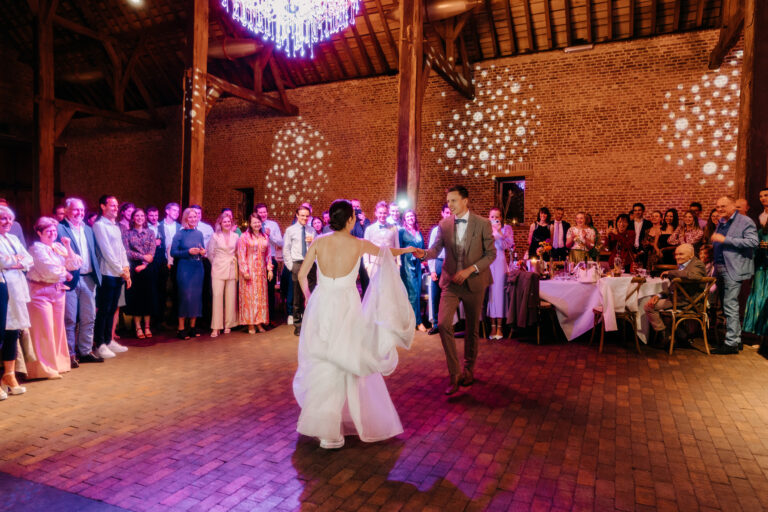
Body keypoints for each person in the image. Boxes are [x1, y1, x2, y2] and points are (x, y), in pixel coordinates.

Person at [293, 199, 418, 449]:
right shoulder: (358, 244)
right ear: (350, 220)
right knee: (346, 359)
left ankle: (327, 428)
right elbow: (385, 252)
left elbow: (300, 274)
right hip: (347, 306)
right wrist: (407, 250)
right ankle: (340, 424)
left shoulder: (318, 242)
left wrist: (308, 298)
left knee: (323, 360)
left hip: (321, 303)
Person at [416, 185, 496, 396]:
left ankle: (469, 369)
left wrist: (470, 270)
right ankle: (454, 374)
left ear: (465, 201)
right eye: (448, 201)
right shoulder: (444, 225)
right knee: (443, 323)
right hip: (450, 282)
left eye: (453, 200)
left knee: (472, 329)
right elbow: (435, 250)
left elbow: (490, 255)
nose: (449, 205)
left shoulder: (482, 224)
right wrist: (423, 254)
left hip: (475, 282)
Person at [26, 217, 82, 379]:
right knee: (44, 329)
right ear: (39, 232)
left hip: (57, 291)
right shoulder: (36, 249)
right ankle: (43, 368)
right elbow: (48, 270)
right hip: (40, 291)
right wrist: (64, 272)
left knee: (57, 328)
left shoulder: (57, 246)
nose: (52, 233)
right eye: (48, 231)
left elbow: (75, 263)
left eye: (54, 230)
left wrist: (68, 246)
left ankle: (58, 364)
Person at [57, 198, 104, 366]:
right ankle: (69, 355)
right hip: (70, 279)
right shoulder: (59, 228)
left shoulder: (88, 229)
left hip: (89, 278)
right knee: (69, 319)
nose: (80, 213)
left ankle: (85, 351)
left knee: (89, 317)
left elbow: (94, 253)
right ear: (67, 210)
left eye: (82, 210)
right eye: (76, 210)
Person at [710, 196, 759, 354]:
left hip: (734, 268)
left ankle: (731, 343)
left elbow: (753, 242)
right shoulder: (721, 221)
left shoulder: (745, 221)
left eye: (723, 206)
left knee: (730, 305)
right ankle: (735, 340)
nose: (719, 209)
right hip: (721, 267)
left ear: (733, 207)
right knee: (727, 306)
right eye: (717, 207)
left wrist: (726, 239)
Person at [644, 244, 706, 348]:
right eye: (676, 254)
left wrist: (671, 272)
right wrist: (659, 295)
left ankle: (665, 337)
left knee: (648, 307)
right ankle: (675, 336)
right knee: (650, 304)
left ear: (691, 255)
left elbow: (695, 276)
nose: (677, 257)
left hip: (689, 302)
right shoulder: (683, 265)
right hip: (678, 299)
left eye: (681, 254)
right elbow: (673, 287)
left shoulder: (697, 264)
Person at [92, 195, 131, 359]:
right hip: (107, 273)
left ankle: (109, 340)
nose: (116, 208)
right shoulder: (99, 225)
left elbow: (121, 249)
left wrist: (126, 267)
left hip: (118, 273)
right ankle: (99, 343)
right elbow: (106, 251)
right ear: (103, 206)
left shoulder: (115, 226)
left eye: (117, 205)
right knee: (104, 309)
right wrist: (120, 269)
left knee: (113, 308)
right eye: (112, 205)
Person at [0, 205, 32, 396]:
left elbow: (29, 259)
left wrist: (15, 262)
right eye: (3, 218)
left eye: (10, 219)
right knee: (1, 334)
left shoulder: (12, 238)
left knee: (13, 332)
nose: (7, 223)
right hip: (3, 288)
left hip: (17, 290)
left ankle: (9, 375)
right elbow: (2, 262)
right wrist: (15, 261)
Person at [122, 208, 158, 339]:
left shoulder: (150, 232)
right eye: (137, 215)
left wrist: (145, 264)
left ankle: (147, 326)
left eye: (142, 215)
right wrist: (143, 257)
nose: (140, 218)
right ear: (132, 218)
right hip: (134, 269)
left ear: (145, 218)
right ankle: (138, 327)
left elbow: (152, 251)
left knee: (148, 298)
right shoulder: (127, 233)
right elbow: (126, 251)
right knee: (137, 300)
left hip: (147, 269)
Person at [171, 208, 205, 339]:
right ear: (185, 218)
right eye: (190, 217)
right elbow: (173, 253)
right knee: (185, 296)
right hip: (184, 268)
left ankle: (192, 327)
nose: (193, 219)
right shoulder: (180, 234)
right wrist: (188, 252)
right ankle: (180, 328)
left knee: (196, 297)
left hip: (198, 267)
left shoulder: (199, 233)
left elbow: (201, 248)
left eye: (195, 217)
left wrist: (202, 252)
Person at [283, 205, 317, 335]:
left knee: (311, 294)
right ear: (297, 215)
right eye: (302, 215)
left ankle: (311, 322)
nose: (305, 218)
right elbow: (286, 249)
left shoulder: (312, 230)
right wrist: (291, 266)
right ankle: (298, 324)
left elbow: (316, 248)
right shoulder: (290, 230)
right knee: (297, 294)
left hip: (310, 263)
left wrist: (313, 241)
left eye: (307, 216)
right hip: (297, 263)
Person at [238, 213, 272, 334]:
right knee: (250, 298)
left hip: (261, 272)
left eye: (258, 222)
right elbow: (241, 255)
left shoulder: (265, 237)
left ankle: (259, 322)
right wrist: (244, 271)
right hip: (249, 271)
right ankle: (250, 324)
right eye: (254, 222)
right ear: (250, 224)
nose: (257, 224)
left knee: (260, 298)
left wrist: (270, 269)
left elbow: (268, 254)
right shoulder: (244, 237)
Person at [208, 211, 240, 337]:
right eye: (224, 221)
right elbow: (210, 253)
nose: (227, 223)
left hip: (232, 267)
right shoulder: (215, 236)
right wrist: (216, 264)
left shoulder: (235, 236)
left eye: (229, 221)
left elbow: (238, 252)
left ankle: (229, 324)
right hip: (218, 268)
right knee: (217, 296)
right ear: (220, 223)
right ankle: (216, 327)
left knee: (231, 297)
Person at [743, 188, 768, 338]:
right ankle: (758, 332)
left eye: (766, 195)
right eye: (761, 196)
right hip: (760, 260)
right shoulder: (759, 216)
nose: (763, 198)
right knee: (758, 295)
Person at [487, 208, 514, 340]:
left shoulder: (507, 228)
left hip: (500, 261)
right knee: (491, 294)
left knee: (500, 293)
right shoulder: (486, 228)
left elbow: (507, 246)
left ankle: (500, 327)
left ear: (501, 218)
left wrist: (498, 232)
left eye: (497, 216)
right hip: (489, 262)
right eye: (492, 216)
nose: (494, 219)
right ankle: (492, 326)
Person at [398, 210, 426, 332]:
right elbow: (397, 248)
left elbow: (422, 248)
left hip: (418, 265)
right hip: (406, 264)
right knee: (412, 293)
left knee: (417, 292)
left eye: (412, 216)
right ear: (405, 219)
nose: (410, 218)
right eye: (408, 216)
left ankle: (412, 320)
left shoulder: (418, 232)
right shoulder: (402, 231)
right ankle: (416, 322)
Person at [255, 203, 283, 323]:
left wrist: (269, 234)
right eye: (260, 212)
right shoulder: (254, 224)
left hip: (270, 260)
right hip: (256, 260)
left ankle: (270, 317)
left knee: (270, 290)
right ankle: (258, 317)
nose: (263, 214)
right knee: (258, 289)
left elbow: (280, 243)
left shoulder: (273, 225)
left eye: (264, 212)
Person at [427, 204, 452, 335]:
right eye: (447, 212)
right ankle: (436, 324)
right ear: (442, 213)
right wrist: (432, 270)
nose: (449, 215)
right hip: (438, 263)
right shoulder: (436, 230)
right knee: (436, 295)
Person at [363, 201, 400, 278]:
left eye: (384, 213)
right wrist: (367, 265)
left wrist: (398, 264)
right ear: (376, 213)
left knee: (388, 289)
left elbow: (397, 247)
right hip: (374, 265)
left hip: (390, 265)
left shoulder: (394, 228)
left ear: (387, 214)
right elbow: (366, 249)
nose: (382, 215)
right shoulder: (369, 229)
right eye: (380, 213)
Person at [160, 202, 181, 326]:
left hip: (176, 262)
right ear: (167, 211)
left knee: (175, 290)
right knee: (162, 290)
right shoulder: (159, 226)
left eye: (178, 211)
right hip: (162, 261)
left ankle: (174, 318)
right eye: (174, 210)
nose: (176, 213)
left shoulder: (180, 227)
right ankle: (160, 319)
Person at [350, 199, 371, 296]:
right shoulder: (347, 220)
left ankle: (366, 302)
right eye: (353, 206)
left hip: (363, 256)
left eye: (357, 206)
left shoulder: (366, 221)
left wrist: (363, 223)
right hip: (351, 256)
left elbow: (367, 237)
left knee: (365, 280)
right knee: (350, 281)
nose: (355, 208)